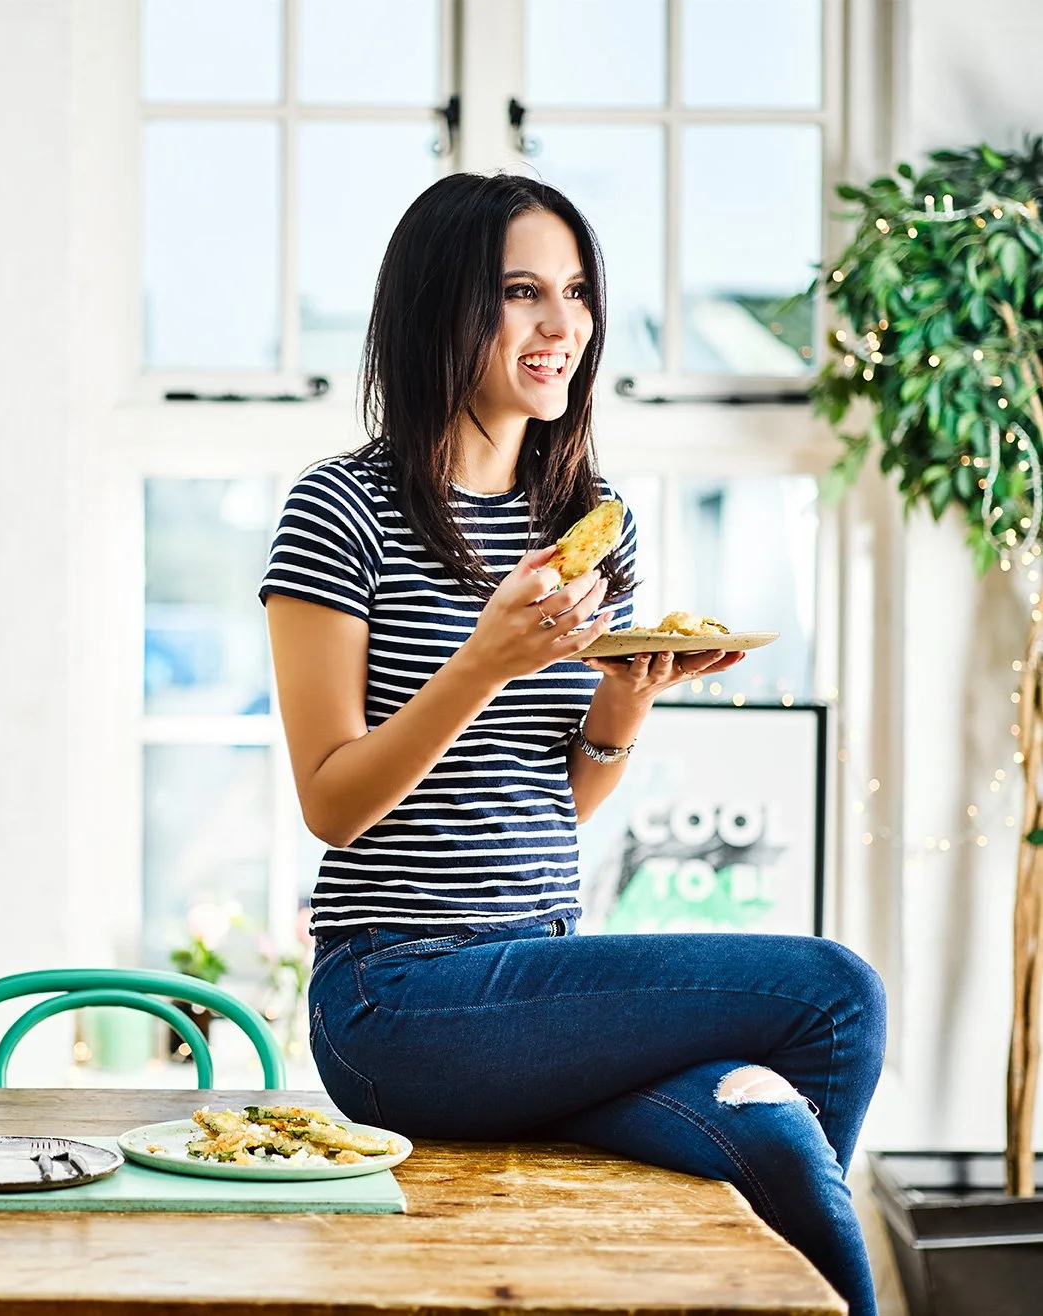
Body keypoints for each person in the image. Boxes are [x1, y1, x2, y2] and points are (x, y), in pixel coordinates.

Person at [259, 173, 885, 1315]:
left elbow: (558, 803)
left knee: (777, 1136)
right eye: (519, 292)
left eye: (577, 293)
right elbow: (329, 802)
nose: (562, 326)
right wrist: (482, 661)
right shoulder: (338, 511)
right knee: (835, 993)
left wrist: (627, 697)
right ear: (439, 307)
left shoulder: (588, 523)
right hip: (395, 1000)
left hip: (535, 983)